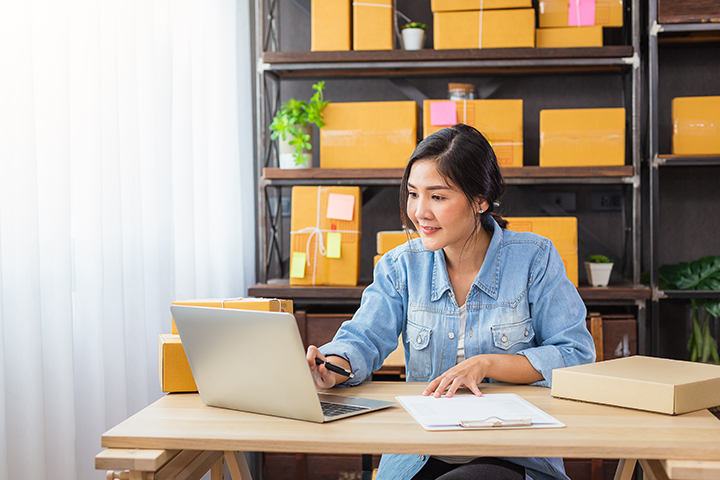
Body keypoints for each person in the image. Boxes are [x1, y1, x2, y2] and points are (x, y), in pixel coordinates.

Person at [306, 124, 596, 480]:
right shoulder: (400, 265)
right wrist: (330, 366)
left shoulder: (535, 258)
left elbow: (574, 355)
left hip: (512, 455)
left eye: (438, 197)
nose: (419, 212)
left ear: (481, 200)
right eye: (413, 194)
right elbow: (363, 339)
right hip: (421, 454)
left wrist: (487, 363)